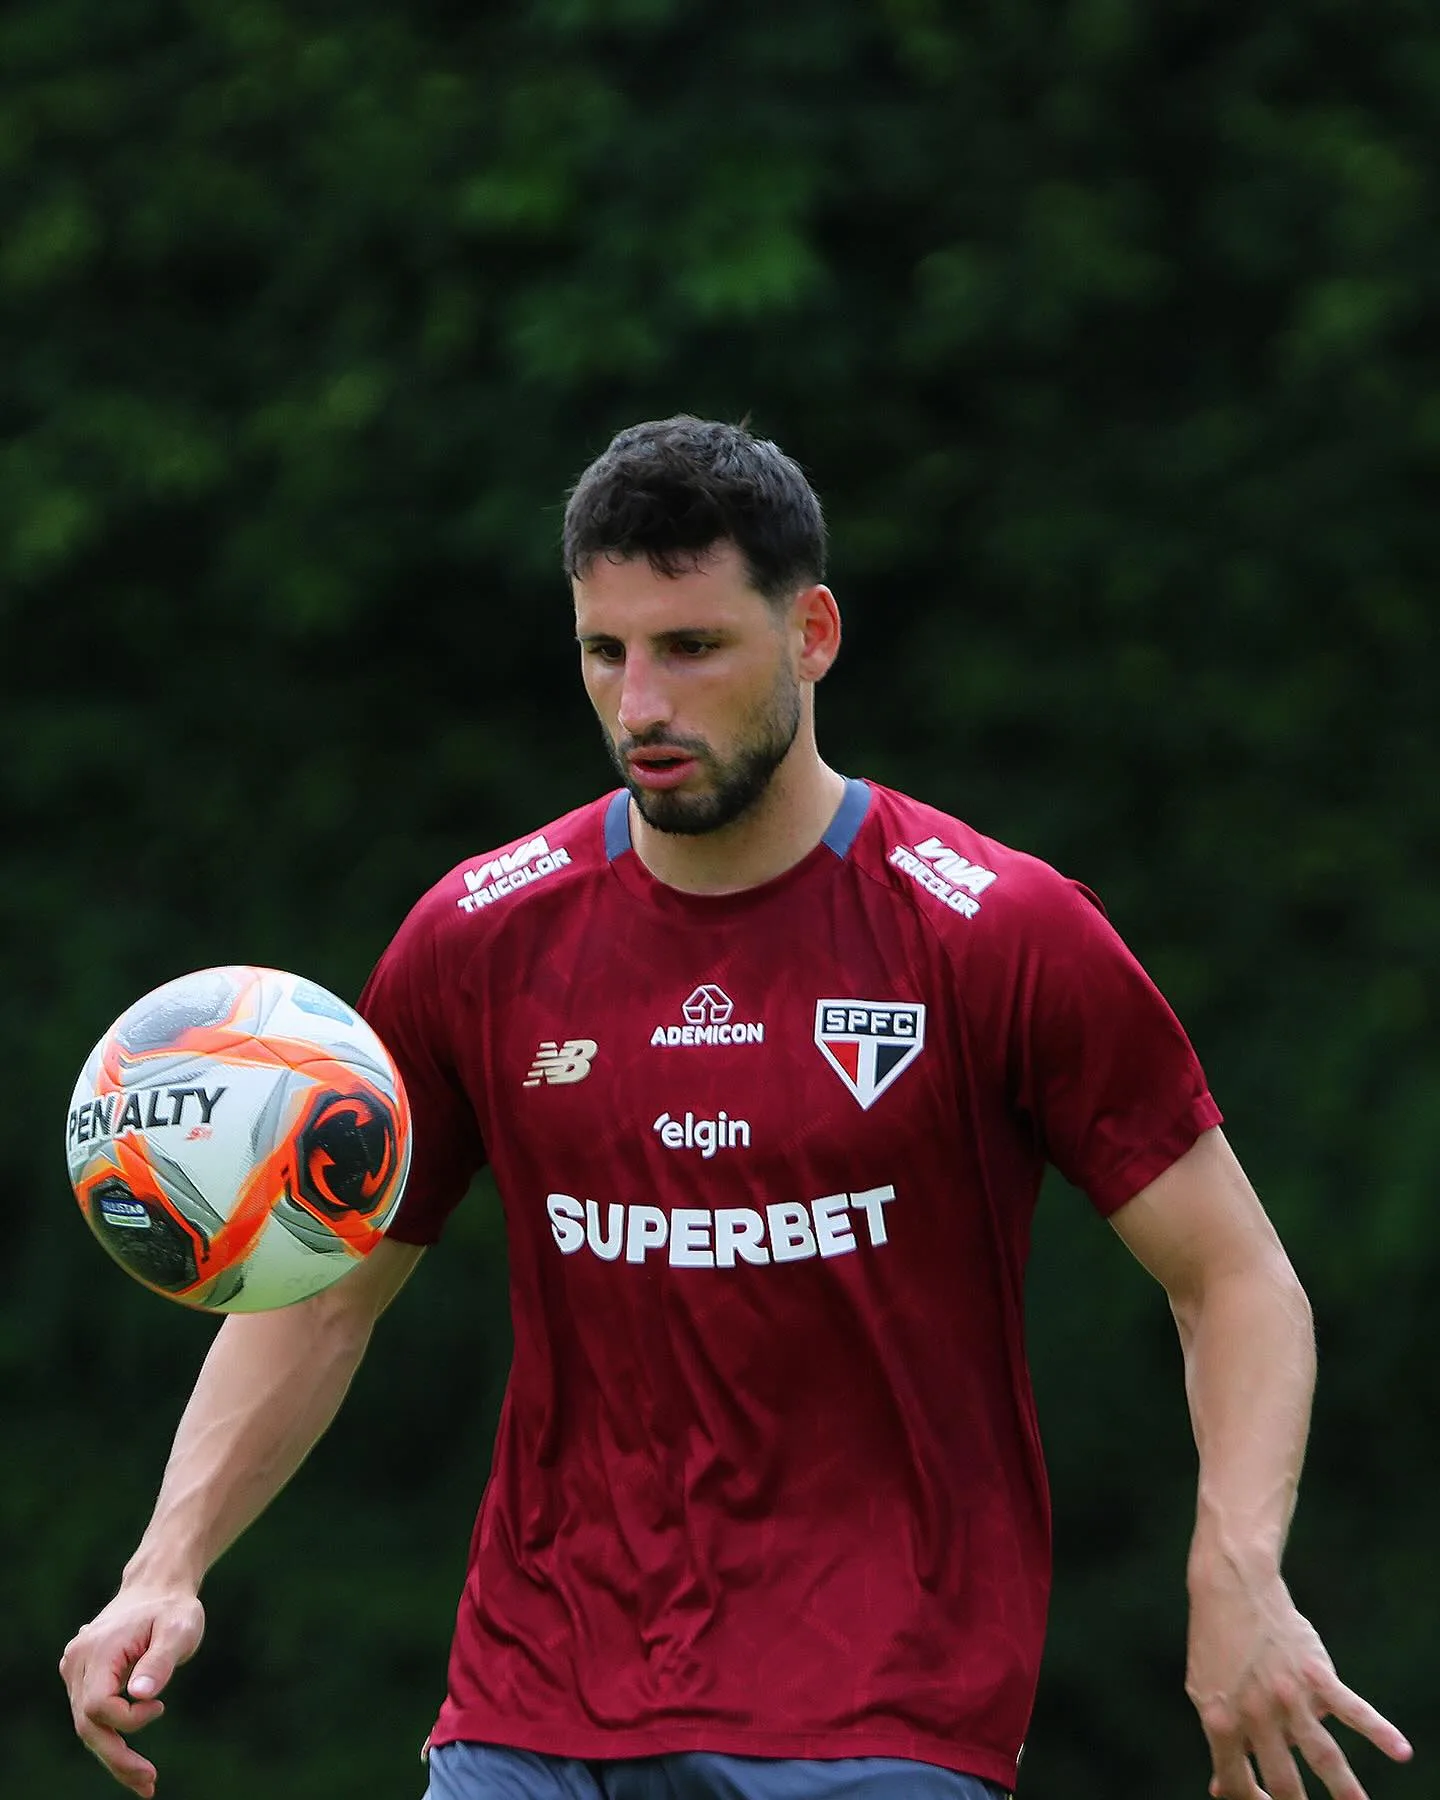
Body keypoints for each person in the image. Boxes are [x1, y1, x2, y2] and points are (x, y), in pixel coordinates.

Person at [61, 417, 1412, 1800]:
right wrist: (165, 1564)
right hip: (533, 1706)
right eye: (606, 652)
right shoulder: (478, 939)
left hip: (879, 1715)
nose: (641, 702)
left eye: (692, 648)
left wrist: (1237, 1568)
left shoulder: (998, 932)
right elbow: (326, 1279)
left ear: (812, 634)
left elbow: (1236, 1279)